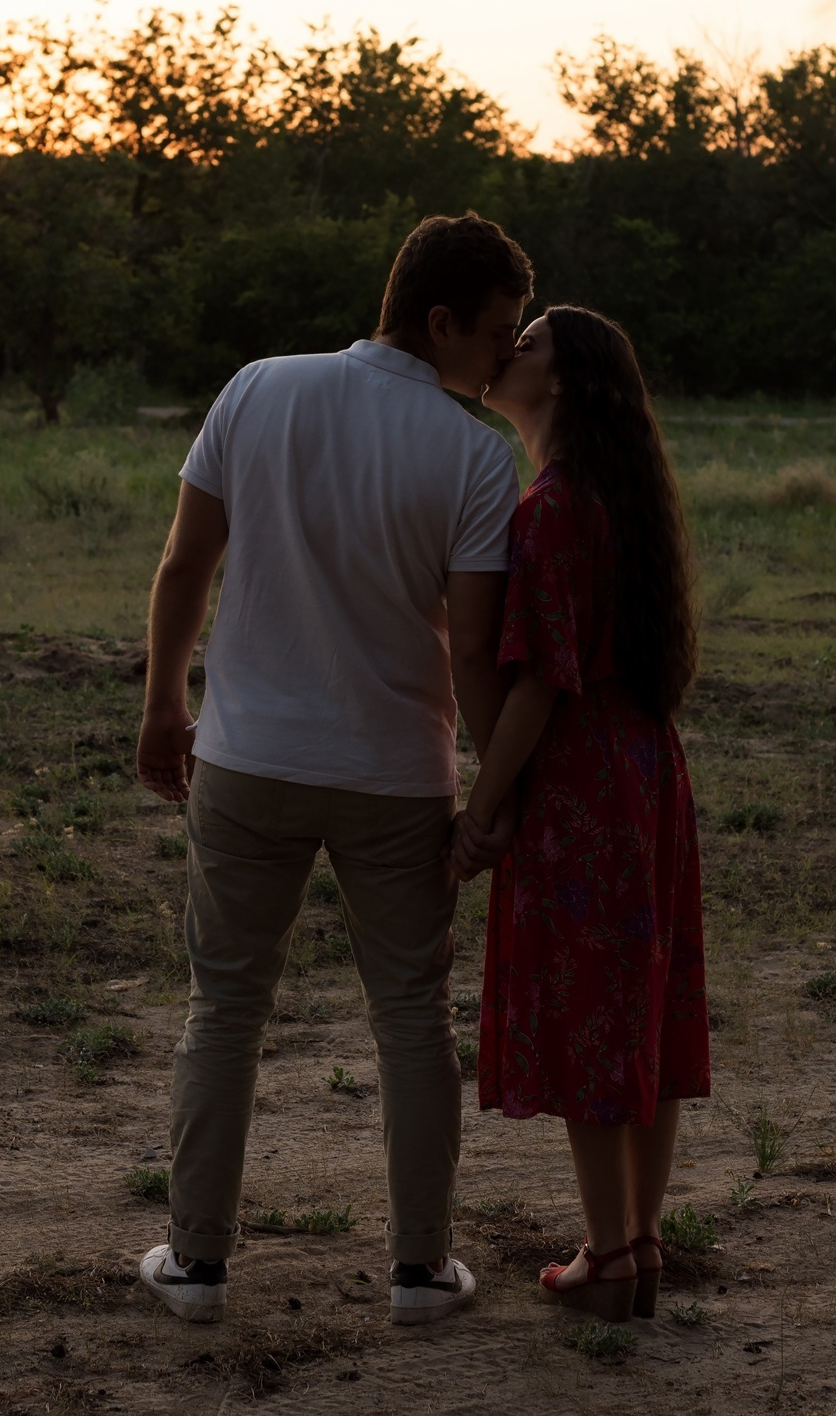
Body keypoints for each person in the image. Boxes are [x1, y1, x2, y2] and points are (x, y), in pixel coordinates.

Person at [134, 213, 534, 1327]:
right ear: (440, 320)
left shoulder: (259, 388)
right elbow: (468, 646)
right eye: (497, 334)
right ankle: (419, 1273)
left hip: (248, 757)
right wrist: (492, 784)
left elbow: (184, 566)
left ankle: (198, 1267)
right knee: (412, 1016)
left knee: (225, 1010)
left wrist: (167, 703)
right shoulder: (470, 455)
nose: (504, 358)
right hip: (396, 775)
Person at [452, 305, 710, 1324]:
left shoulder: (553, 508)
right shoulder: (617, 501)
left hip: (582, 786)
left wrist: (483, 812)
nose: (506, 350)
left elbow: (538, 685)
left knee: (594, 1010)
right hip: (646, 771)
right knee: (643, 998)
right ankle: (639, 1240)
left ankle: (606, 1256)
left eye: (528, 343)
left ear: (561, 383)